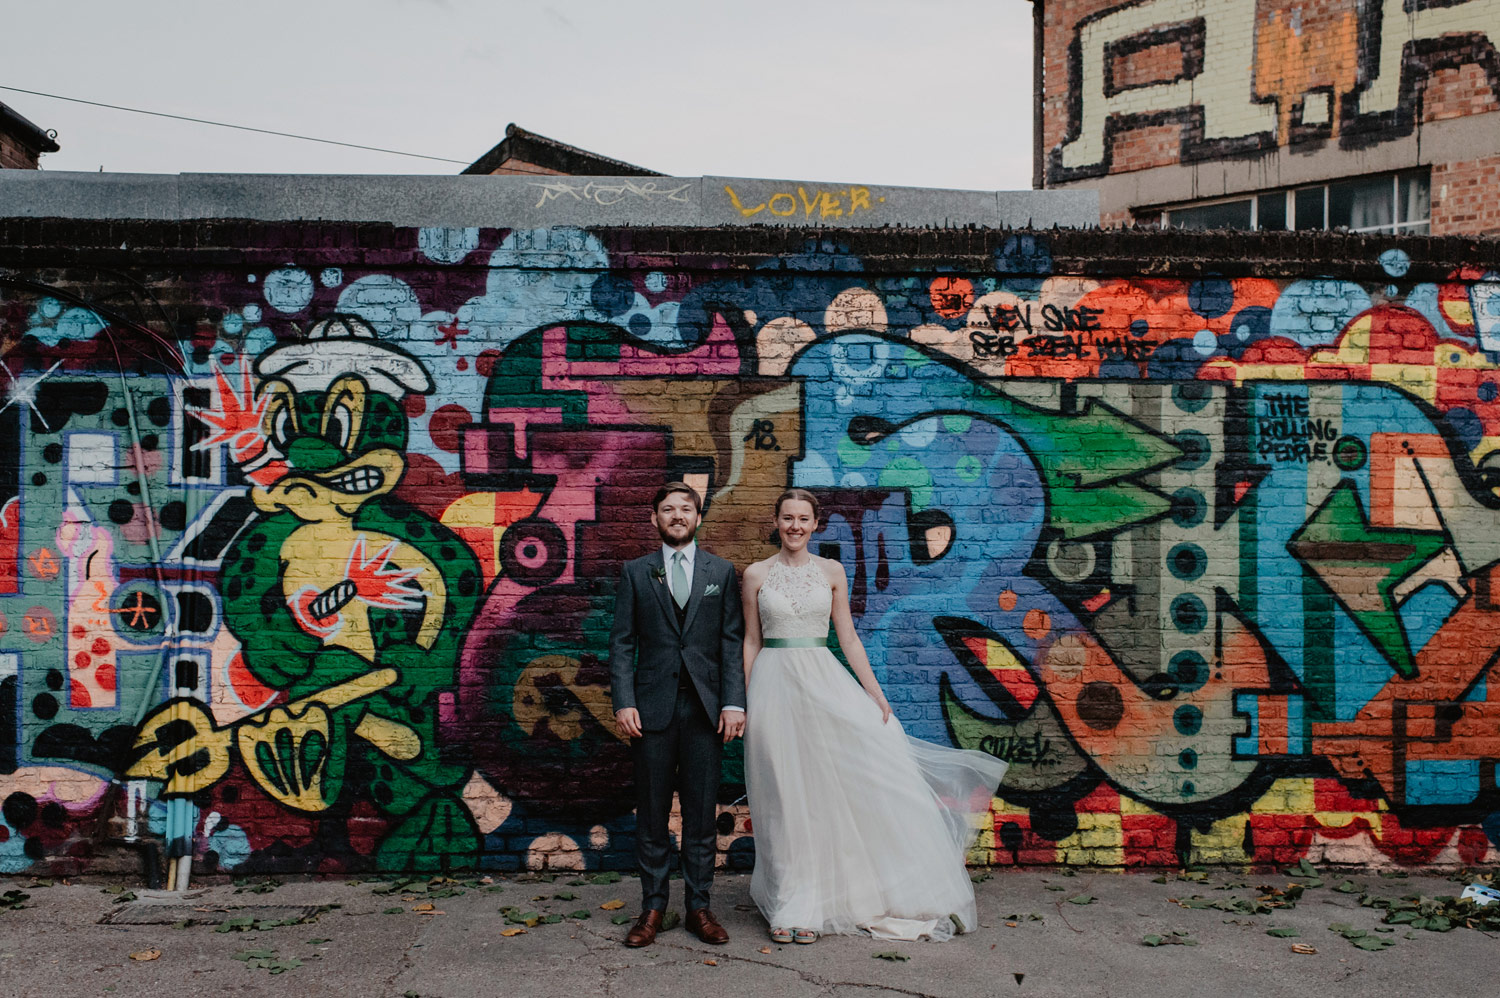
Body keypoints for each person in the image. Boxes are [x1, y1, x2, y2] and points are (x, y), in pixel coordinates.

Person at [742, 488, 1009, 944]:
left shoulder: (832, 572)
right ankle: (790, 901)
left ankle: (821, 900)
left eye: (804, 519)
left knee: (824, 793)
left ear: (815, 524)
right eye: (787, 518)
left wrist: (875, 695)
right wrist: (748, 700)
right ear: (776, 520)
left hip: (821, 682)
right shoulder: (754, 574)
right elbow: (751, 640)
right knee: (785, 797)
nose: (795, 526)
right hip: (773, 688)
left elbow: (847, 638)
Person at [609, 482, 746, 948]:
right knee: (651, 813)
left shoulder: (722, 572)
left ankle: (699, 907)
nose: (676, 515)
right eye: (667, 509)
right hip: (650, 710)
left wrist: (733, 702)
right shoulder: (635, 572)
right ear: (655, 519)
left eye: (685, 509)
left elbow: (731, 641)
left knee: (701, 815)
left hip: (706, 710)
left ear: (698, 517)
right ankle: (651, 907)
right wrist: (623, 701)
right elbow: (623, 643)